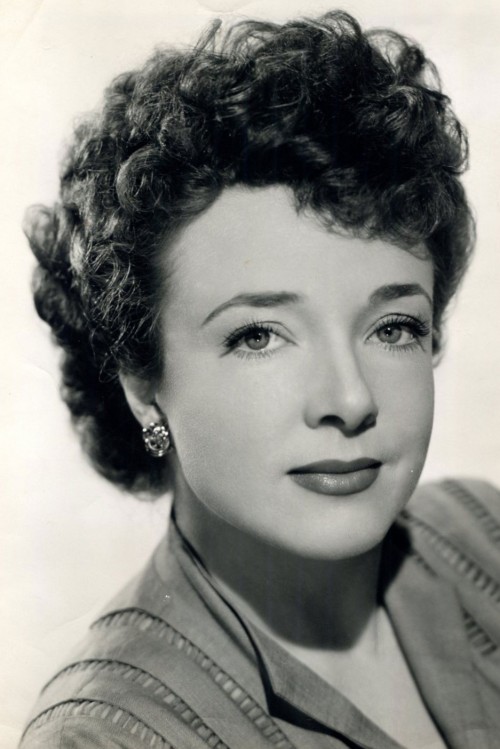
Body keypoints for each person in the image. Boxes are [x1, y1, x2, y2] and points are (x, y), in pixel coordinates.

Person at [19, 9, 500, 748]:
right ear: (143, 382)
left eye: (393, 327)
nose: (350, 399)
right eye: (258, 336)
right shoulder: (105, 737)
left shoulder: (482, 532)